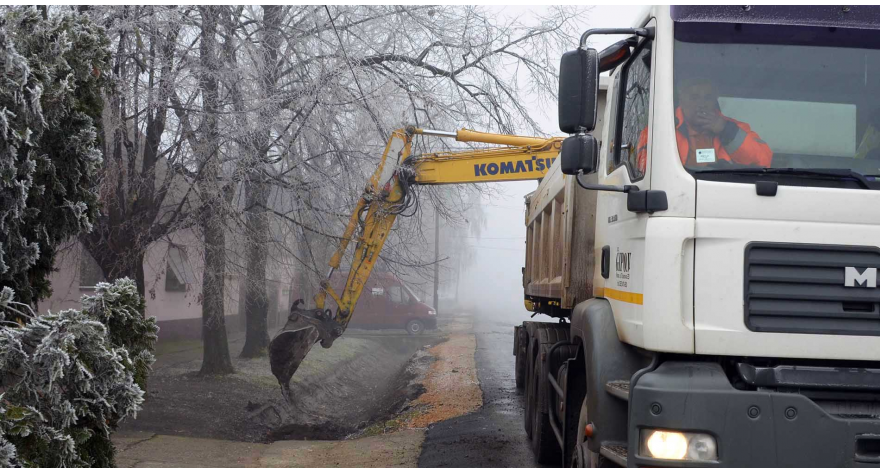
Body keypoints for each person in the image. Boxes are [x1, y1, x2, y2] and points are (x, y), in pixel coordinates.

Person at [636, 77, 772, 173]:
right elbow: (646, 171)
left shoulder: (734, 128)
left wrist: (726, 131)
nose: (702, 103)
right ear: (681, 99)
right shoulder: (658, 131)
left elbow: (764, 161)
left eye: (707, 97)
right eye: (694, 97)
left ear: (715, 99)